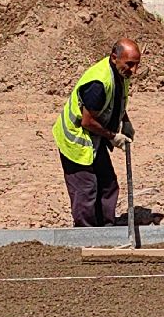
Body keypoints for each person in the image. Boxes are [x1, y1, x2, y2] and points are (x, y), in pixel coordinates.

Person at [53, 39, 141, 227]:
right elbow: (87, 121)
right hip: (77, 139)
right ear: (114, 57)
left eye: (137, 65)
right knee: (86, 189)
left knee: (108, 184)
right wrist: (113, 136)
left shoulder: (119, 74)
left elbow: (115, 100)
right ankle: (86, 234)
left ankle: (106, 229)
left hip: (94, 137)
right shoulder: (98, 84)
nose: (134, 71)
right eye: (130, 65)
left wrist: (125, 121)